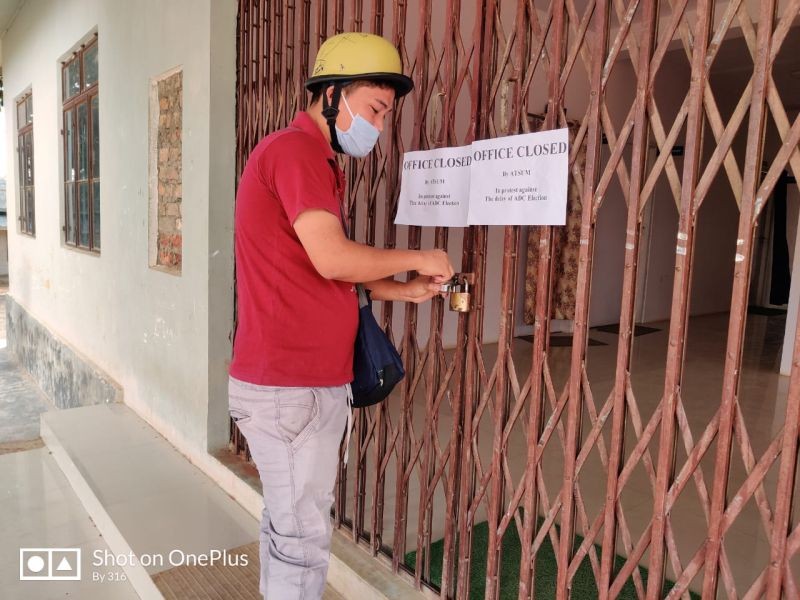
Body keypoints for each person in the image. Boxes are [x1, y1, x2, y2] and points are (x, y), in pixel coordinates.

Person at [228, 32, 455, 599]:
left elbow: (317, 266)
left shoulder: (312, 160)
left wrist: (398, 289)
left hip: (300, 383)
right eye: (375, 109)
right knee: (301, 534)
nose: (377, 127)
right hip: (289, 386)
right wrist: (420, 257)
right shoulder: (296, 152)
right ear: (333, 94)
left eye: (385, 115)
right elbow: (332, 258)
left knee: (290, 526)